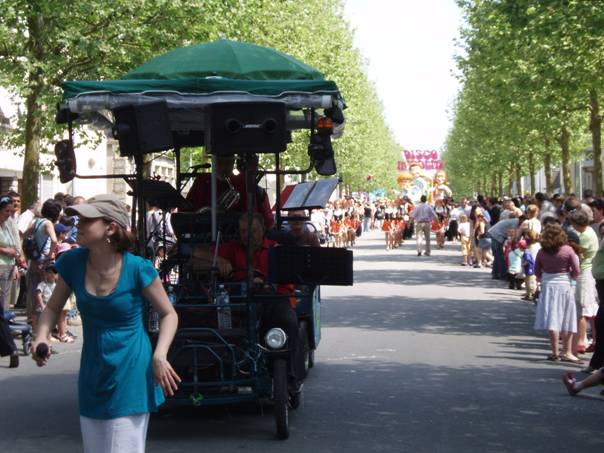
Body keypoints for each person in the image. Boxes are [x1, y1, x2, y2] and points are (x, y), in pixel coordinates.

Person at [32, 194, 180, 453]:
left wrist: (160, 354)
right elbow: (53, 308)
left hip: (132, 370)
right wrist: (42, 335)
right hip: (93, 373)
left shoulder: (138, 268)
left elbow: (169, 314)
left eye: (87, 220)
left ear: (110, 227)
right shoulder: (72, 263)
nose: (79, 224)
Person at [195, 213, 302, 390]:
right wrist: (219, 260)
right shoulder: (233, 248)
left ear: (262, 231)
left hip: (274, 300)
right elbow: (197, 252)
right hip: (242, 301)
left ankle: (291, 378)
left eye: (252, 231)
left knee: (289, 321)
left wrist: (266, 284)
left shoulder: (277, 250)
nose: (248, 235)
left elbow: (288, 282)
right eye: (244, 231)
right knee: (217, 319)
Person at [534, 224, 581, 363]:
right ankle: (567, 351)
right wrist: (570, 276)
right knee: (567, 318)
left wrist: (543, 278)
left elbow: (537, 271)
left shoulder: (542, 252)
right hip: (564, 285)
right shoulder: (568, 250)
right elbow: (576, 270)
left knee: (552, 319)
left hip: (548, 285)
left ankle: (555, 352)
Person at [568, 209, 599, 356]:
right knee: (591, 308)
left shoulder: (585, 235)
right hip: (588, 271)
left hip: (585, 272)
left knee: (582, 308)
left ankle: (582, 340)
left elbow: (578, 254)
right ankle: (594, 339)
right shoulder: (589, 231)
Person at [25, 199, 60, 323]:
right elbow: (54, 240)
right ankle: (42, 324)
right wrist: (50, 255)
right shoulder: (48, 223)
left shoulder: (35, 222)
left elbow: (24, 236)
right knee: (45, 291)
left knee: (34, 291)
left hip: (34, 260)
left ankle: (32, 321)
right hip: (44, 260)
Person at [0, 195, 21, 368]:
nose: (9, 214)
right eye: (6, 211)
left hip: (7, 267)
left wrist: (15, 264)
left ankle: (11, 349)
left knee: (2, 309)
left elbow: (15, 245)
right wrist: (5, 249)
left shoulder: (7, 225)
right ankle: (11, 348)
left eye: (10, 211)